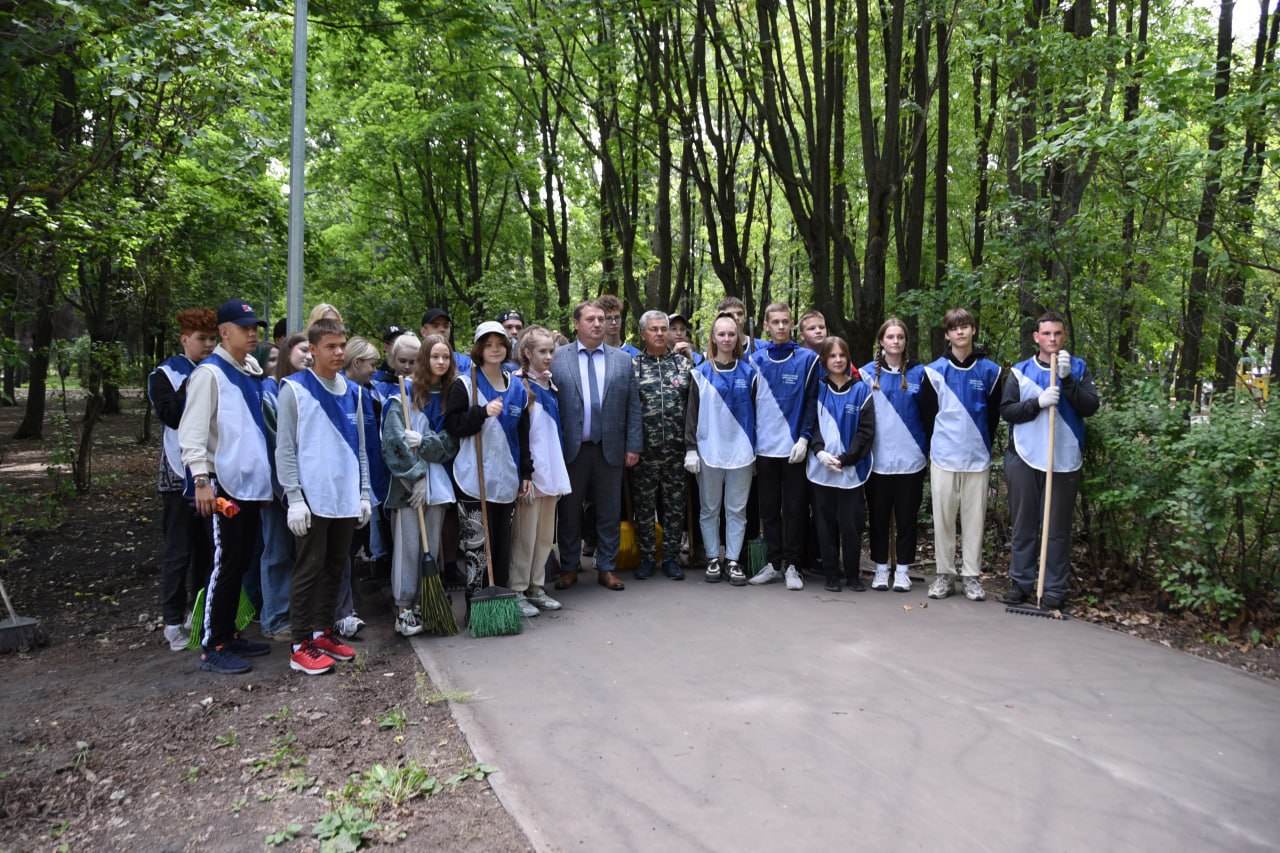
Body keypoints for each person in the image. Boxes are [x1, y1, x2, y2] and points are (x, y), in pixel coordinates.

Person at [178, 298, 274, 674]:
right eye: (245, 328)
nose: (253, 334)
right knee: (225, 564)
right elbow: (193, 434)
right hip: (222, 487)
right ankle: (212, 643)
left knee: (240, 560)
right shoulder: (209, 374)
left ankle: (229, 633)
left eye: (255, 328)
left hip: (248, 485)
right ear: (224, 332)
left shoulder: (248, 370)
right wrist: (202, 481)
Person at [276, 318, 371, 675]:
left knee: (335, 567)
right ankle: (299, 643)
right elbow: (284, 449)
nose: (339, 352)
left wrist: (363, 493)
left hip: (344, 497)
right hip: (313, 498)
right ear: (312, 350)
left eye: (342, 345)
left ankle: (322, 631)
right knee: (308, 569)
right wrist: (294, 496)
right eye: (330, 346)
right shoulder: (294, 389)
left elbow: (361, 448)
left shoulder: (353, 392)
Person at [1001, 311, 1099, 609]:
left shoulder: (1078, 369)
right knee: (1024, 523)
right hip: (1025, 455)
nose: (1052, 339)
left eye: (1057, 333)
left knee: (1056, 528)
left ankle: (1054, 588)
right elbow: (1008, 411)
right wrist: (1037, 404)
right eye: (1047, 334)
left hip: (1064, 458)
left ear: (1064, 336)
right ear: (1036, 337)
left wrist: (1068, 381)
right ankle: (1021, 582)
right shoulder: (1020, 371)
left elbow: (1090, 406)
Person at [550, 300, 642, 592]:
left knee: (609, 511)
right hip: (571, 448)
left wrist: (633, 445)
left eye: (601, 319)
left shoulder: (622, 360)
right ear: (576, 324)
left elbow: (633, 406)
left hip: (610, 447)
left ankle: (607, 567)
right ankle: (568, 567)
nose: (598, 324)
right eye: (590, 319)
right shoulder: (557, 358)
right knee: (569, 511)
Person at [919, 308, 1004, 600]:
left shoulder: (991, 371)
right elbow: (928, 416)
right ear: (947, 334)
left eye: (965, 326)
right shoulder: (933, 371)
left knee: (974, 520)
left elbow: (993, 417)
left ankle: (971, 576)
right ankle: (944, 575)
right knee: (942, 519)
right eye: (954, 328)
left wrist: (981, 444)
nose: (960, 332)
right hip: (943, 457)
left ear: (973, 330)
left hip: (977, 458)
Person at [149, 307, 217, 651]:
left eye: (212, 338)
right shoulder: (164, 374)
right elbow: (172, 416)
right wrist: (195, 381)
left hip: (212, 472)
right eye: (201, 339)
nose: (207, 345)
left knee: (208, 549)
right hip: (178, 475)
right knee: (179, 551)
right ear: (184, 339)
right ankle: (172, 621)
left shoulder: (218, 371)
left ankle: (200, 613)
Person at [382, 333, 460, 636]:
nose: (440, 362)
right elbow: (392, 444)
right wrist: (415, 476)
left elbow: (450, 444)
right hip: (408, 487)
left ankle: (424, 603)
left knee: (433, 546)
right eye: (434, 356)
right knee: (409, 547)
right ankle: (404, 608)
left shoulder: (451, 395)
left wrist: (425, 442)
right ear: (424, 359)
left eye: (445, 357)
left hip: (438, 483)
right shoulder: (401, 395)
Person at [445, 322, 528, 594]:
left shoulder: (517, 388)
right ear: (479, 348)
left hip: (506, 476)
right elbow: (453, 426)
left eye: (500, 344)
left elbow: (523, 435)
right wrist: (481, 412)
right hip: (473, 478)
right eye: (488, 344)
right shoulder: (465, 383)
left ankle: (501, 602)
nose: (495, 349)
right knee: (478, 548)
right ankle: (477, 605)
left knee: (502, 546)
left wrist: (526, 472)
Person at [748, 301, 819, 591]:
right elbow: (747, 406)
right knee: (768, 510)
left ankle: (793, 565)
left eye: (785, 321)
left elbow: (813, 402)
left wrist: (804, 437)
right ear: (766, 325)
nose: (780, 326)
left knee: (794, 509)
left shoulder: (807, 359)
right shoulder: (755, 360)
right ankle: (774, 563)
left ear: (791, 324)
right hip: (764, 449)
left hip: (793, 449)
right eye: (774, 322)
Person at [685, 312, 758, 586]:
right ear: (713, 338)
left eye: (731, 334)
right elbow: (691, 413)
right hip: (708, 450)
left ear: (737, 337)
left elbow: (758, 414)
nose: (726, 338)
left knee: (737, 509)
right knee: (709, 508)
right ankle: (713, 558)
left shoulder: (750, 372)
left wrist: (757, 453)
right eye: (721, 334)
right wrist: (691, 448)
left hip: (742, 451)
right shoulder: (700, 372)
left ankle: (733, 560)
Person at [860, 318, 928, 593]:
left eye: (900, 337)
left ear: (906, 342)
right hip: (878, 460)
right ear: (881, 341)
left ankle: (902, 570)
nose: (896, 341)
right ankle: (880, 568)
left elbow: (930, 412)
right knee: (877, 517)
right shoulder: (866, 375)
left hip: (912, 457)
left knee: (907, 517)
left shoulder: (920, 373)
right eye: (891, 337)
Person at [508, 326, 571, 615]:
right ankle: (517, 589)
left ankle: (536, 586)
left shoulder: (550, 384)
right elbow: (519, 433)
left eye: (551, 352)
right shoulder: (518, 384)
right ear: (527, 353)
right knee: (526, 535)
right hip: (532, 472)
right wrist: (525, 473)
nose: (548, 357)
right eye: (542, 352)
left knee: (546, 535)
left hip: (553, 467)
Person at [807, 337, 875, 592]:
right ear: (824, 360)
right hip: (821, 469)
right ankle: (831, 574)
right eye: (832, 356)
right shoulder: (817, 389)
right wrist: (819, 452)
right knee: (824, 525)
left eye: (842, 356)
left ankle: (853, 574)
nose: (837, 360)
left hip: (851, 470)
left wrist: (846, 459)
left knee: (851, 524)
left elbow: (866, 432)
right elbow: (810, 424)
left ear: (848, 358)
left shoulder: (861, 390)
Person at [257, 333, 313, 642]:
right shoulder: (269, 392)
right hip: (279, 488)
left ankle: (302, 614)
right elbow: (278, 442)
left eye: (311, 351)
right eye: (302, 350)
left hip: (310, 486)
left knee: (303, 553)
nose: (308, 356)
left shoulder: (313, 388)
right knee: (277, 551)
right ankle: (276, 618)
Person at [632, 310, 693, 581]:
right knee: (644, 506)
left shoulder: (682, 365)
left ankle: (670, 558)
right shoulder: (633, 366)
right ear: (643, 333)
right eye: (653, 329)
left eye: (663, 329)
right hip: (645, 452)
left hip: (677, 451)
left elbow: (694, 408)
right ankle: (646, 557)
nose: (659, 333)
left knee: (674, 507)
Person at [421, 307, 473, 373]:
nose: (442, 330)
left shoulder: (464, 362)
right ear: (423, 332)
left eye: (446, 326)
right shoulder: (413, 360)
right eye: (435, 326)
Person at [375, 332, 420, 401]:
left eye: (412, 362)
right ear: (393, 358)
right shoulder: (381, 389)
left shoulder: (422, 388)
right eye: (402, 361)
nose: (407, 366)